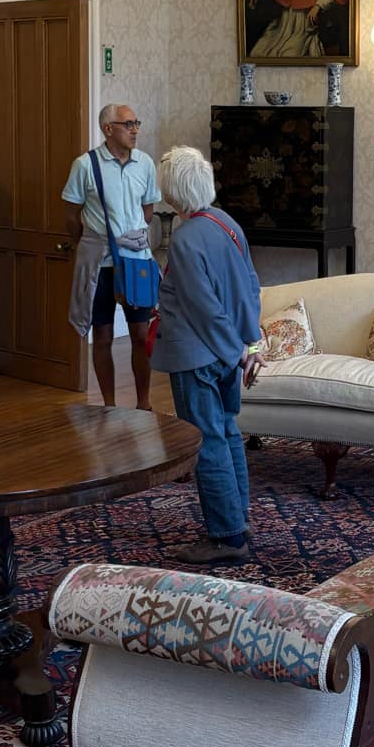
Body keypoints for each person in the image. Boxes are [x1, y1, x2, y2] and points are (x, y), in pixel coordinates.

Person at [152, 146, 264, 562]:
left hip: (196, 355)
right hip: (225, 352)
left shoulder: (185, 238)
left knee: (207, 441)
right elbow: (251, 287)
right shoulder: (227, 223)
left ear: (174, 190)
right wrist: (248, 344)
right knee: (228, 432)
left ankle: (227, 537)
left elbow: (203, 308)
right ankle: (238, 517)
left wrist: (236, 351)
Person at [62, 103, 161, 412]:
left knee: (140, 334)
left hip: (137, 261)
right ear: (108, 129)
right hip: (100, 265)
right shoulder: (85, 165)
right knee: (102, 336)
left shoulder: (145, 163)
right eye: (128, 124)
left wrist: (127, 239)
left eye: (136, 123)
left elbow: (148, 212)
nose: (135, 130)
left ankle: (143, 404)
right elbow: (71, 216)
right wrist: (95, 243)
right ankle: (109, 406)